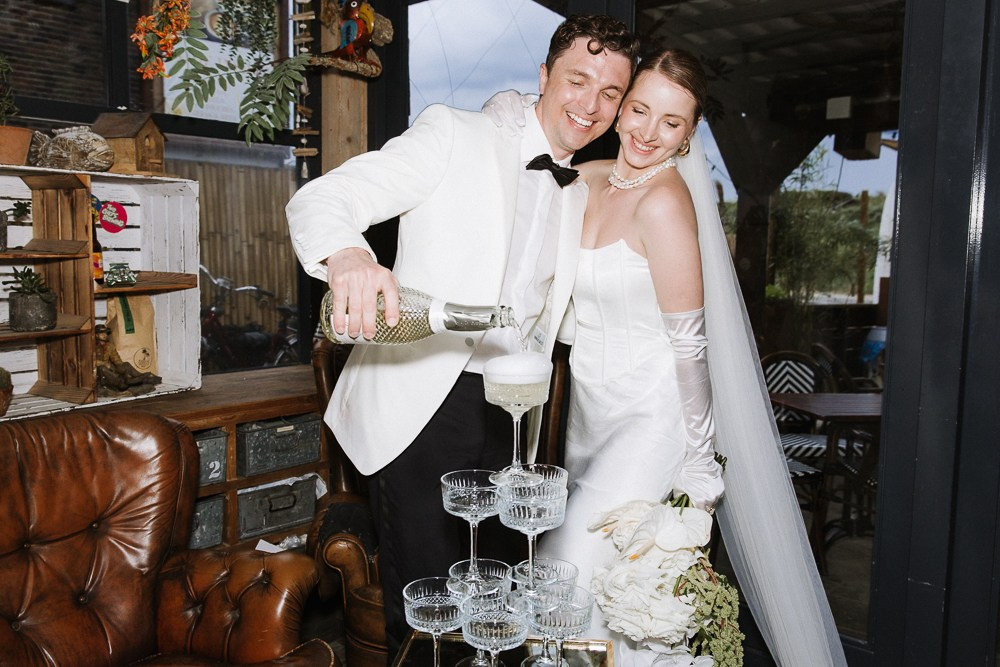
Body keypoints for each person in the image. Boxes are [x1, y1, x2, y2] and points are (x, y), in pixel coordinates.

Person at [285, 15, 640, 655]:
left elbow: (562, 319)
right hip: (423, 402)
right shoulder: (454, 134)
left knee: (496, 607)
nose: (590, 105)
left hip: (513, 417)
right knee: (429, 613)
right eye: (577, 80)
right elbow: (323, 197)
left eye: (609, 93)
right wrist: (349, 259)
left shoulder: (577, 192)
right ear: (544, 77)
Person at [490, 50, 848, 665]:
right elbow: (519, 163)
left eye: (672, 123)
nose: (648, 133)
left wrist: (702, 463)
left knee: (570, 573)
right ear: (621, 107)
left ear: (689, 135)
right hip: (589, 410)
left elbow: (690, 345)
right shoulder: (590, 177)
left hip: (651, 416)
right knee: (598, 591)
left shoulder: (666, 202)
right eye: (639, 110)